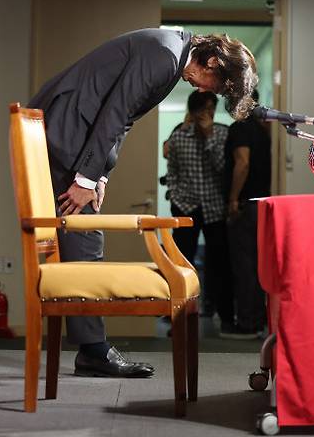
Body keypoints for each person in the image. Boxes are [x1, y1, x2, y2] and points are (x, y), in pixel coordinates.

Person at [28, 28, 258, 378]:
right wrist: (84, 178)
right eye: (218, 84)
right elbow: (116, 110)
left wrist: (99, 174)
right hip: (67, 125)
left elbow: (124, 118)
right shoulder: (166, 55)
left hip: (75, 129)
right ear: (213, 61)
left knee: (83, 234)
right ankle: (93, 351)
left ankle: (92, 348)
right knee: (85, 233)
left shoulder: (172, 55)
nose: (207, 91)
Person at [165, 90, 234, 330]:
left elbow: (224, 169)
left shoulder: (224, 134)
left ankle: (226, 317)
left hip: (215, 207)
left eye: (211, 109)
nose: (208, 114)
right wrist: (175, 194)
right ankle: (178, 319)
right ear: (193, 112)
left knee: (221, 263)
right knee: (182, 262)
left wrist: (209, 136)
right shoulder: (178, 137)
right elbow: (172, 170)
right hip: (186, 206)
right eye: (203, 110)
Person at [221, 89, 272, 339]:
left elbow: (242, 162)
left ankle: (248, 323)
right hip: (262, 204)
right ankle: (259, 320)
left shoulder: (240, 129)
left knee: (244, 265)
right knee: (257, 264)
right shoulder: (262, 130)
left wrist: (232, 198)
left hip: (244, 205)